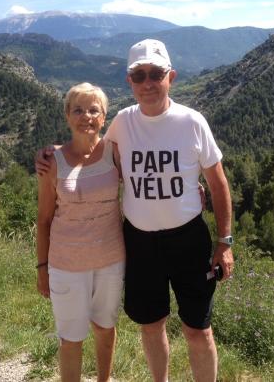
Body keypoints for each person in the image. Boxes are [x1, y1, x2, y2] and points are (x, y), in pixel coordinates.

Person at [37, 39, 234, 382]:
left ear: (170, 76)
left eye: (155, 73)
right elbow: (89, 145)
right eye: (139, 75)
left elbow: (218, 185)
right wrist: (52, 151)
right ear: (129, 81)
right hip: (140, 243)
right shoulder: (123, 123)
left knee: (198, 330)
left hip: (189, 240)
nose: (148, 82)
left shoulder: (192, 121)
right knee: (150, 325)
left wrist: (225, 241)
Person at [36, 82, 125, 382]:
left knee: (105, 326)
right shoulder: (52, 162)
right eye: (78, 110)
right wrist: (41, 268)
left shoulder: (116, 153)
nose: (86, 116)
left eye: (93, 110)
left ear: (104, 117)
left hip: (111, 259)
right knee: (71, 337)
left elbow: (148, 178)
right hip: (66, 264)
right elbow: (45, 218)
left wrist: (194, 187)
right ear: (67, 116)